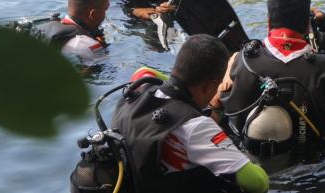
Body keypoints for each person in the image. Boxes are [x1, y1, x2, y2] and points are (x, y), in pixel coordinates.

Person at [210, 0, 325, 156]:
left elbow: (214, 104)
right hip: (313, 164)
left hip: (244, 156)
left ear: (269, 22)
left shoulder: (238, 60)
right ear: (308, 26)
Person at [111, 34, 269, 193]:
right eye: (216, 86)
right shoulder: (196, 126)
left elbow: (144, 70)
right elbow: (259, 183)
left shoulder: (138, 89)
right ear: (209, 86)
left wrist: (176, 82)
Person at [36, 0, 110, 62]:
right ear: (92, 14)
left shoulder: (47, 29)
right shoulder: (89, 46)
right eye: (105, 9)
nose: (105, 14)